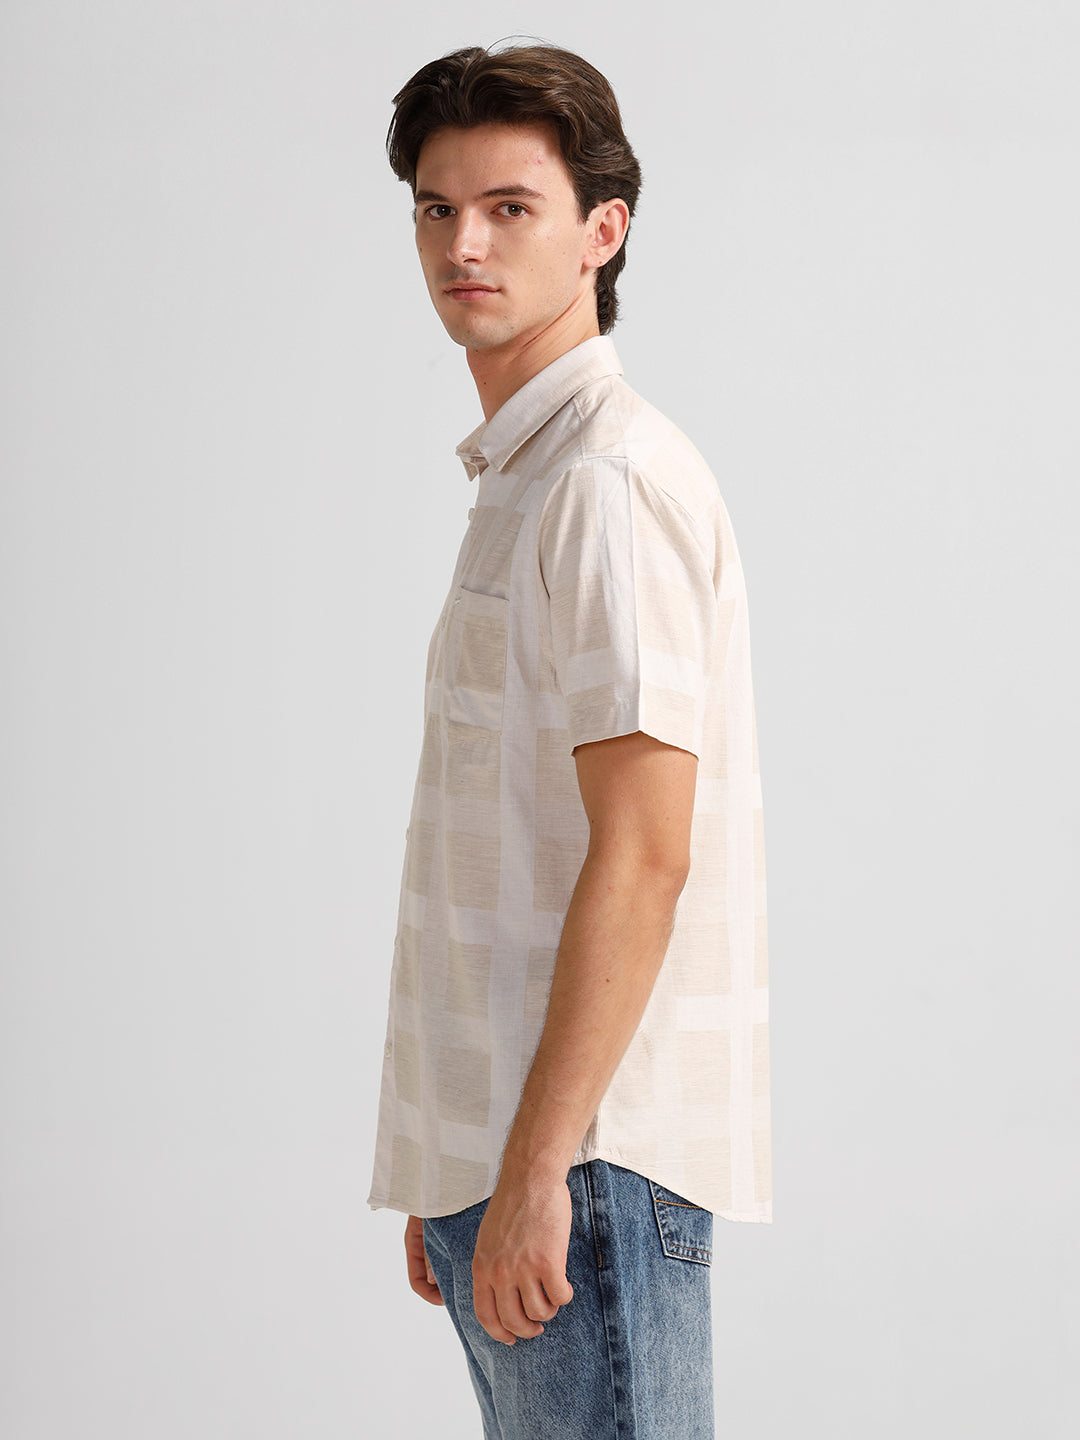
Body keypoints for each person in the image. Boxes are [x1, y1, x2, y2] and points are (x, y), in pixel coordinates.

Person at [368, 41, 772, 1440]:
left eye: (509, 207)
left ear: (603, 231)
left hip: (584, 1162)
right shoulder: (529, 482)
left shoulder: (605, 482)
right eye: (437, 208)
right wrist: (456, 1165)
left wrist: (536, 1169)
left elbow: (648, 852)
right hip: (515, 1154)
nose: (463, 244)